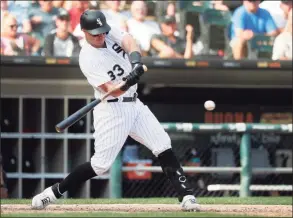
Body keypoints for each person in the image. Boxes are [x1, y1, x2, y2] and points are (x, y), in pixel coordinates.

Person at [31, 9, 200, 212]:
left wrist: (136, 60)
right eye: (96, 33)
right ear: (84, 32)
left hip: (135, 105)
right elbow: (112, 91)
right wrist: (129, 81)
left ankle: (186, 195)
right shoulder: (87, 58)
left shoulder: (107, 32)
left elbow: (128, 39)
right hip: (112, 110)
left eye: (102, 31)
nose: (101, 35)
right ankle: (54, 192)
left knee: (163, 144)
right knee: (100, 165)